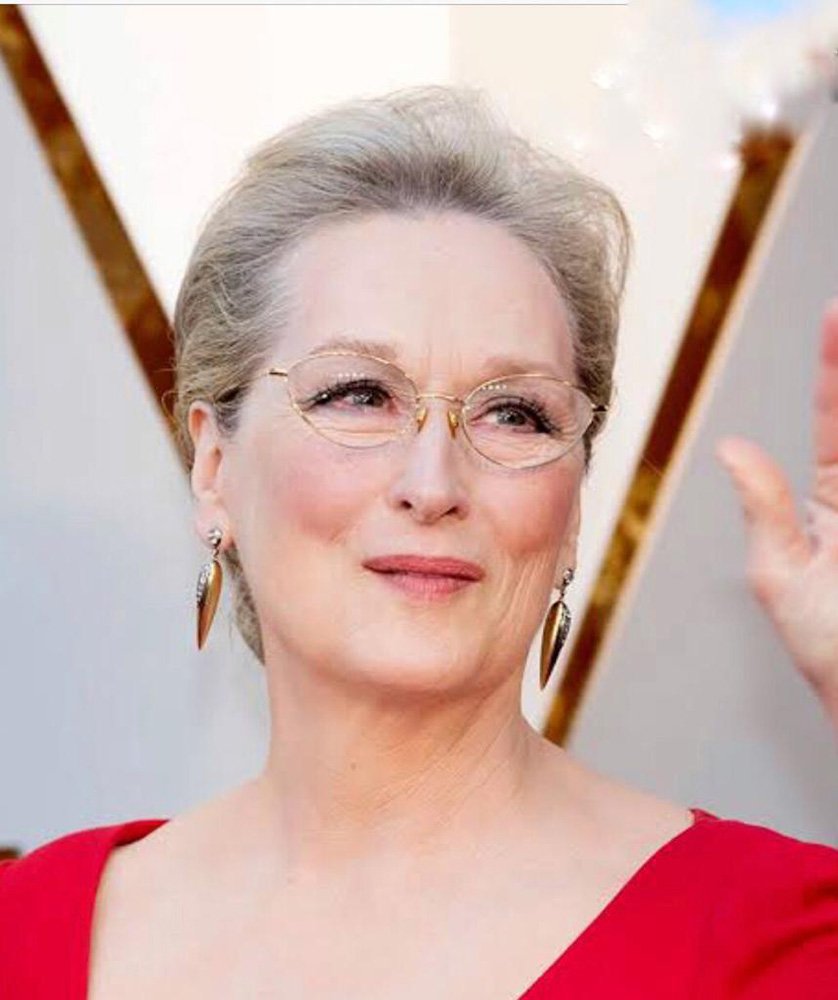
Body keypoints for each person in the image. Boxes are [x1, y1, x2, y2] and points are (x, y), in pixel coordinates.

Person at [1, 84, 835, 999]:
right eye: (358, 395)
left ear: (572, 506)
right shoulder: (27, 933)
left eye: (514, 414)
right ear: (214, 466)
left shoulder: (780, 939)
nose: (434, 486)